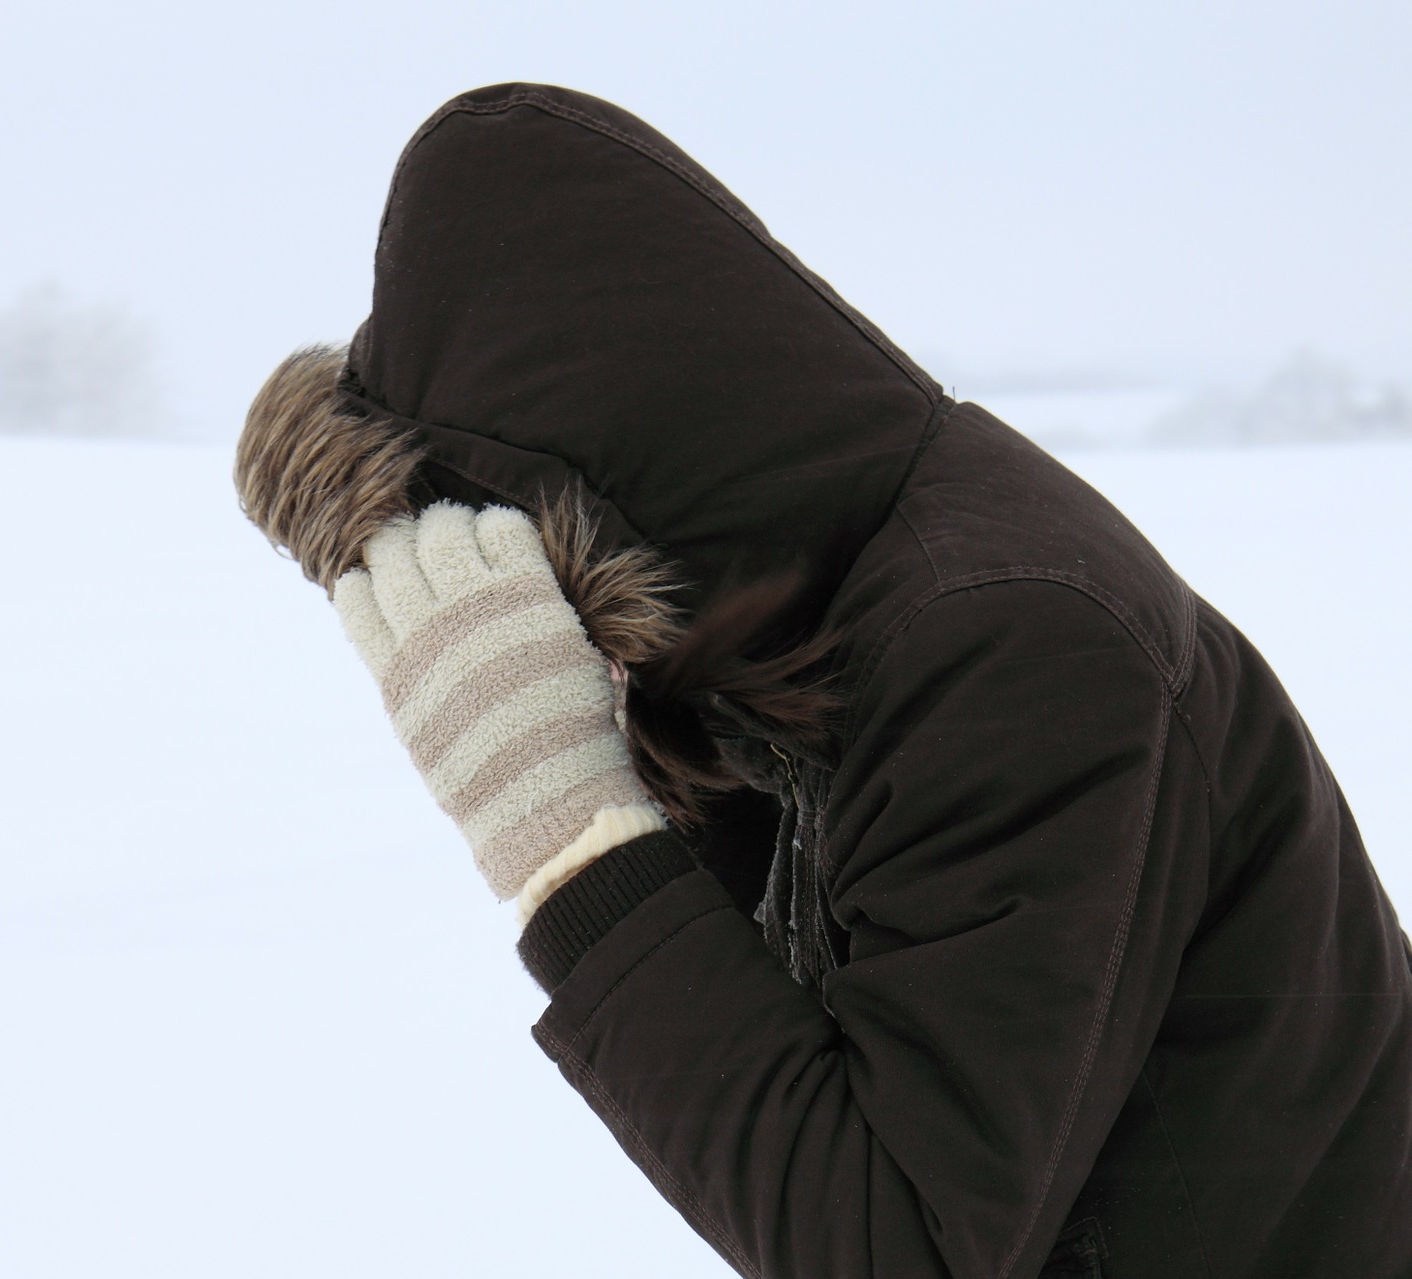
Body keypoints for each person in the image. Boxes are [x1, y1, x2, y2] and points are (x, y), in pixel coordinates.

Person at [234, 83, 1412, 1278]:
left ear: (583, 515)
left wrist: (569, 841)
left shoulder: (1007, 648)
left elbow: (892, 1244)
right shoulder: (823, 617)